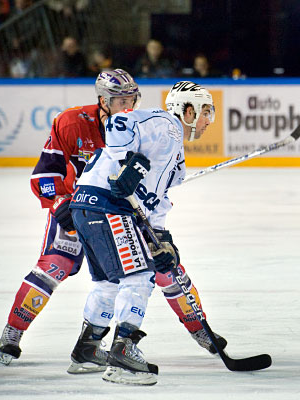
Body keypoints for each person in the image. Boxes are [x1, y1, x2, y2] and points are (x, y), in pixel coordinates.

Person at [0, 70, 226, 370]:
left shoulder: (147, 132)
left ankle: (199, 330)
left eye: (132, 99)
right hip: (73, 208)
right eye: (120, 100)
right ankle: (14, 331)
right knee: (57, 265)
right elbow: (44, 172)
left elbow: (151, 190)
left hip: (119, 210)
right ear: (103, 101)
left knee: (164, 265)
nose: (127, 106)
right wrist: (58, 202)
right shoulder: (73, 122)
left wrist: (160, 233)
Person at [67, 81, 216, 385]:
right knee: (138, 277)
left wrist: (162, 239)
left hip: (86, 204)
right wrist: (125, 163)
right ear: (188, 110)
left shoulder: (176, 159)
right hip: (108, 204)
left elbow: (155, 204)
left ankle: (88, 347)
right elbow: (120, 120)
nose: (208, 121)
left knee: (108, 282)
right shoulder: (166, 124)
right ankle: (124, 352)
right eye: (206, 112)